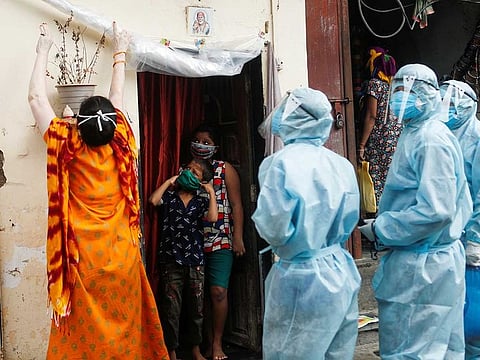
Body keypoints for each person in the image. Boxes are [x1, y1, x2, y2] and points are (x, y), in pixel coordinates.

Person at [28, 22, 169, 358]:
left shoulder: (66, 142)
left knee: (84, 338)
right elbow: (116, 99)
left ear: (78, 122)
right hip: (121, 257)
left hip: (83, 262)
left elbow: (35, 97)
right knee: (125, 332)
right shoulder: (120, 140)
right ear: (112, 121)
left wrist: (44, 48)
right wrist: (119, 49)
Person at [359, 64, 473, 359]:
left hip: (425, 266)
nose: (401, 97)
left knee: (414, 350)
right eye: (397, 89)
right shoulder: (415, 133)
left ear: (431, 95)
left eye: (409, 91)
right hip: (423, 260)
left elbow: (436, 210)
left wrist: (383, 229)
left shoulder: (430, 138)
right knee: (438, 349)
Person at [252, 87, 362, 359]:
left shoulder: (278, 164)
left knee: (291, 350)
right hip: (340, 268)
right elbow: (350, 216)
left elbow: (273, 227)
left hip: (301, 278)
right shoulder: (341, 164)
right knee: (337, 352)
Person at [149, 158, 218, 360]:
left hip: (195, 261)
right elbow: (153, 200)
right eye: (187, 169)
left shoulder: (201, 200)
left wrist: (211, 192)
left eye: (195, 173)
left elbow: (213, 218)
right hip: (172, 260)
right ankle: (171, 352)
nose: (189, 172)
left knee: (196, 308)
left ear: (202, 180)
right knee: (172, 309)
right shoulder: (170, 197)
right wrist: (170, 181)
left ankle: (196, 349)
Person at [190, 124, 245, 360]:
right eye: (197, 140)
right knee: (198, 296)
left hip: (222, 237)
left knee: (218, 291)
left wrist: (238, 237)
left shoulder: (225, 170)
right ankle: (200, 343)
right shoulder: (187, 170)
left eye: (207, 141)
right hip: (193, 240)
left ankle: (217, 344)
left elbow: (237, 205)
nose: (201, 145)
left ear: (216, 146)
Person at [440, 79, 480, 360]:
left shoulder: (476, 139)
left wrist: (475, 240)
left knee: (472, 315)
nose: (447, 110)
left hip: (472, 238)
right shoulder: (443, 135)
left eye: (452, 104)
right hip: (450, 236)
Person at [357, 46, 402, 209]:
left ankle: (377, 217)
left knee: (376, 179)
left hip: (379, 140)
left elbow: (371, 116)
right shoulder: (396, 86)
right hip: (397, 138)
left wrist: (362, 145)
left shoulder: (374, 85)